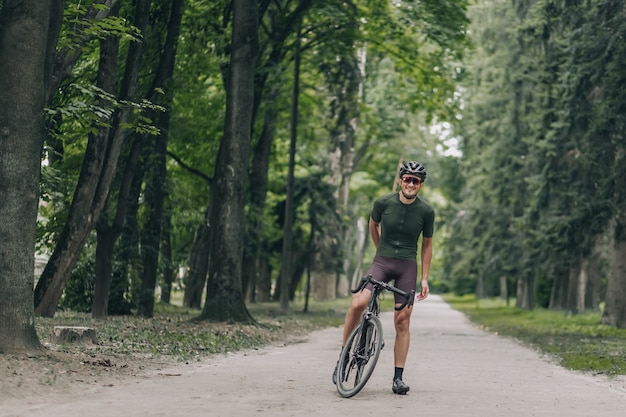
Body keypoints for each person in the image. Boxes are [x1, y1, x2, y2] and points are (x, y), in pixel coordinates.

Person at [333, 160, 434, 395]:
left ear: (420, 185)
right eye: (407, 179)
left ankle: (398, 378)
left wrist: (425, 278)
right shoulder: (382, 202)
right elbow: (373, 225)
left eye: (415, 181)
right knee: (358, 302)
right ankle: (343, 358)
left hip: (407, 266)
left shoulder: (426, 211)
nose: (410, 183)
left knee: (403, 320)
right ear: (400, 180)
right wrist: (380, 250)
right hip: (382, 262)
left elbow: (427, 245)